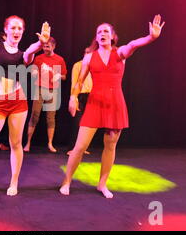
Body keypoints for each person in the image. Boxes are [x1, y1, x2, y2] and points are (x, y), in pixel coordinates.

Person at [60, 15, 165, 198]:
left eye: (106, 31)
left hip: (115, 104)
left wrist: (151, 37)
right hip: (94, 103)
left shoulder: (121, 53)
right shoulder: (89, 57)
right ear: (96, 37)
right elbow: (79, 81)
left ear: (112, 36)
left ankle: (102, 184)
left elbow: (133, 44)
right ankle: (66, 181)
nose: (102, 34)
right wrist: (72, 97)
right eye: (99, 32)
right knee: (80, 146)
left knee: (110, 146)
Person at [0, 15, 51, 197]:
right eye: (13, 28)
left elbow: (30, 51)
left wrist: (40, 43)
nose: (16, 31)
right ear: (5, 30)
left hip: (17, 103)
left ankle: (14, 181)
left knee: (15, 144)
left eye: (20, 28)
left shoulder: (23, 55)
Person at [23, 37, 67, 153]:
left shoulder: (59, 60)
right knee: (34, 115)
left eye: (47, 46)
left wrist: (59, 76)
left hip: (53, 90)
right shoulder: (38, 58)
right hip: (40, 89)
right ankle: (28, 142)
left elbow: (64, 76)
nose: (45, 48)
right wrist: (33, 71)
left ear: (53, 46)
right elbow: (33, 69)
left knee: (50, 118)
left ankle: (50, 143)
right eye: (44, 46)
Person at [67, 60, 92, 156]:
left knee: (88, 123)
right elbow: (74, 82)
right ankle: (72, 148)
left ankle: (83, 147)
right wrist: (73, 98)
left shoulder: (95, 65)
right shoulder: (78, 65)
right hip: (80, 95)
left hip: (91, 96)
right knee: (77, 122)